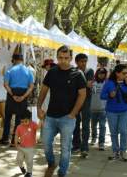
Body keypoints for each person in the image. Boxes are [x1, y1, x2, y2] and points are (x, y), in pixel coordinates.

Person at [37, 45, 87, 177]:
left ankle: (62, 171)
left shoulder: (78, 74)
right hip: (51, 117)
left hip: (67, 118)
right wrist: (38, 107)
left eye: (66, 58)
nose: (63, 60)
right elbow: (43, 90)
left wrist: (73, 113)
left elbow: (82, 94)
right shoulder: (52, 72)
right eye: (60, 58)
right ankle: (51, 163)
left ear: (71, 58)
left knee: (65, 148)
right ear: (57, 57)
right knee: (46, 143)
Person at [101, 64, 127, 161]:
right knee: (113, 132)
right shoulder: (109, 83)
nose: (126, 75)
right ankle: (115, 151)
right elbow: (102, 96)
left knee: (124, 131)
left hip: (125, 111)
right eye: (124, 73)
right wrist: (109, 95)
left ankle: (123, 151)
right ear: (117, 73)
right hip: (111, 111)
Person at [0, 53, 34, 146]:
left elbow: (5, 84)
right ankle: (15, 141)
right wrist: (23, 96)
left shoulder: (10, 70)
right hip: (23, 93)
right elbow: (31, 87)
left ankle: (5, 138)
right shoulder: (28, 71)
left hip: (12, 93)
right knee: (19, 118)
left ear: (14, 60)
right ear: (22, 60)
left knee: (8, 117)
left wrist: (12, 94)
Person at [72, 54, 94, 158]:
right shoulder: (73, 71)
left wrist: (78, 85)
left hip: (86, 100)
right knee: (75, 124)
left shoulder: (89, 71)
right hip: (75, 100)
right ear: (76, 62)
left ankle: (84, 147)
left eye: (85, 61)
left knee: (85, 124)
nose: (84, 63)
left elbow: (89, 84)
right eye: (81, 61)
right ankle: (76, 145)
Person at [15, 109, 40, 177]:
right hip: (21, 147)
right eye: (22, 121)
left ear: (30, 119)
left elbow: (39, 127)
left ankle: (29, 172)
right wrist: (16, 143)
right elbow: (16, 135)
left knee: (29, 161)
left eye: (26, 121)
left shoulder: (33, 124)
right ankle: (22, 167)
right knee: (19, 159)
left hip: (30, 148)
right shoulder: (19, 127)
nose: (24, 123)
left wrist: (41, 119)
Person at [90, 68, 108, 151]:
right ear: (97, 73)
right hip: (93, 108)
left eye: (103, 73)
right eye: (100, 73)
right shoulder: (92, 83)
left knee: (102, 126)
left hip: (103, 109)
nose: (101, 74)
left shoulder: (107, 83)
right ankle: (93, 138)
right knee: (93, 126)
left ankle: (101, 143)